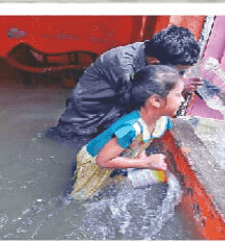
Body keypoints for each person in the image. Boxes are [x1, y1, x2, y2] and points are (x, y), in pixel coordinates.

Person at [48, 25, 202, 141]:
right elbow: (138, 102)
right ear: (155, 64)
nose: (179, 76)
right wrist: (178, 88)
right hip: (83, 124)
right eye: (178, 72)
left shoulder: (152, 54)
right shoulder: (123, 65)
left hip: (106, 120)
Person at [70, 65, 183, 200]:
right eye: (178, 94)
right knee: (81, 197)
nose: (182, 100)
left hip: (115, 156)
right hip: (94, 162)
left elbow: (141, 142)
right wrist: (145, 163)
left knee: (109, 183)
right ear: (156, 101)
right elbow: (102, 161)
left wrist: (144, 159)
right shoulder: (129, 128)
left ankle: (112, 181)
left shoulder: (162, 122)